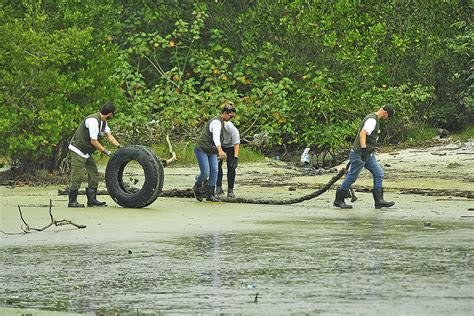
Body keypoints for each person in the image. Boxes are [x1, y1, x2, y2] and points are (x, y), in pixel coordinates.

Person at [334, 104, 395, 209]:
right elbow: (363, 133)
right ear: (385, 113)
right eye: (388, 117)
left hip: (368, 154)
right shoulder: (372, 120)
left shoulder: (373, 118)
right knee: (352, 176)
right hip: (360, 153)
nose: (387, 119)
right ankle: (339, 200)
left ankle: (379, 201)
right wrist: (363, 150)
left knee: (378, 173)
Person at [67, 102, 121, 208]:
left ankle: (92, 200)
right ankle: (72, 201)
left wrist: (120, 147)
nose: (112, 116)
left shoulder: (103, 122)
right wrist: (106, 151)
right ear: (109, 113)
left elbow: (110, 136)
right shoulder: (93, 121)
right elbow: (93, 141)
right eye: (113, 114)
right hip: (78, 150)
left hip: (87, 152)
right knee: (77, 176)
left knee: (93, 173)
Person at [192, 102, 236, 202]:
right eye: (230, 116)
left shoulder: (222, 122)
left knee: (215, 171)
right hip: (202, 148)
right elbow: (216, 138)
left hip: (211, 150)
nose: (231, 118)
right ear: (224, 113)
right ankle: (197, 186)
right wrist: (220, 151)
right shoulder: (216, 122)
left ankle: (210, 194)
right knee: (205, 172)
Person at [216, 120, 240, 198]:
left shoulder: (233, 129)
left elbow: (236, 144)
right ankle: (218, 188)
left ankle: (230, 190)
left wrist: (235, 158)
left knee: (231, 167)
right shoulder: (216, 127)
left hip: (231, 146)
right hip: (220, 145)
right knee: (217, 166)